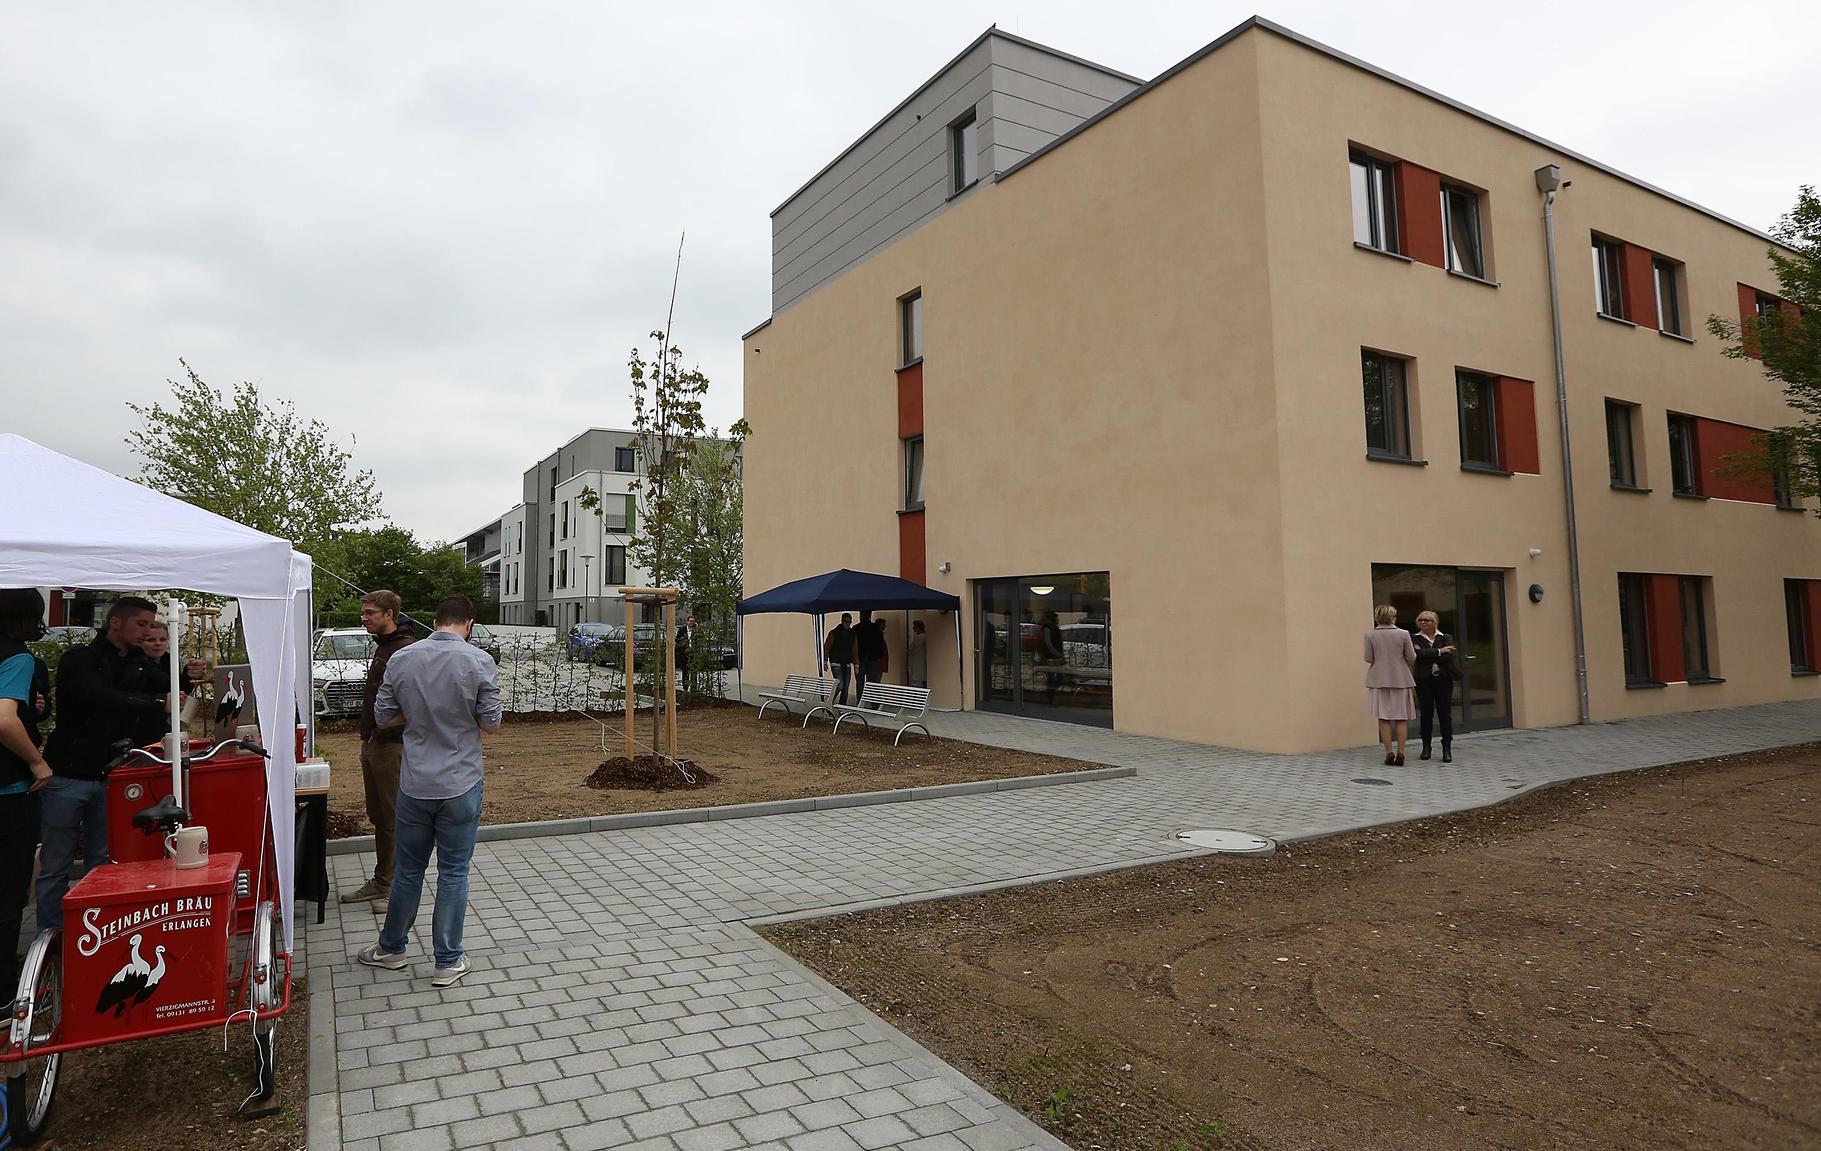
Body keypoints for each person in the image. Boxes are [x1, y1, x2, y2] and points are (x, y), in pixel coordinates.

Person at [357, 595, 501, 987]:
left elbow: (383, 716)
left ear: (435, 621)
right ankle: (447, 961)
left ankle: (391, 949)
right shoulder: (479, 661)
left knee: (408, 870)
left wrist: (418, 713)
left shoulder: (402, 659)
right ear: (468, 624)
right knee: (453, 872)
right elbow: (491, 723)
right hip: (460, 781)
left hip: (416, 782)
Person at [38, 596, 173, 931]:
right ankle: (52, 937)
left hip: (114, 776)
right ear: (116, 622)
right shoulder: (79, 660)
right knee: (56, 863)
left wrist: (182, 673)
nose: (147, 632)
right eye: (141, 624)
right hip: (68, 774)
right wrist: (158, 703)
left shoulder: (141, 663)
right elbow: (99, 697)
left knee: (104, 862)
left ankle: (98, 931)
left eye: (151, 625)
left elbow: (172, 687)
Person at [341, 590, 416, 915]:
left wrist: (384, 730)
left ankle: (397, 887)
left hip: (393, 746)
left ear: (389, 614)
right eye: (364, 612)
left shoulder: (405, 649)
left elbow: (414, 704)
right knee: (380, 818)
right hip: (375, 744)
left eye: (370, 612)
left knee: (394, 819)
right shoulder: (385, 647)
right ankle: (382, 880)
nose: (364, 617)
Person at [0, 589, 53, 1011]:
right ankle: (4, 993)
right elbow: (4, 721)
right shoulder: (16, 656)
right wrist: (36, 762)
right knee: (8, 891)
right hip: (8, 791)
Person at [132, 620, 206, 746]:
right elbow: (163, 684)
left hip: (168, 727)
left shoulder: (170, 660)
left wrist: (191, 674)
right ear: (140, 642)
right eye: (151, 640)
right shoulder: (135, 663)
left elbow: (179, 688)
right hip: (140, 728)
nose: (158, 644)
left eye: (162, 639)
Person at [1363, 603, 1417, 767]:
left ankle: (1389, 752)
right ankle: (1401, 752)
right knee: (1401, 717)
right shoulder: (1403, 634)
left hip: (1379, 679)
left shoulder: (1370, 635)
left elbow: (1368, 658)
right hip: (1400, 678)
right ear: (1393, 617)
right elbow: (1412, 656)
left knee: (1384, 717)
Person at [1411, 610, 1460, 763]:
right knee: (1426, 713)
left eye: (1427, 620)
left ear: (1435, 622)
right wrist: (1439, 651)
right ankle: (1426, 747)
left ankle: (1447, 748)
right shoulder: (1414, 638)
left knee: (1445, 714)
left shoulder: (1445, 637)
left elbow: (1449, 655)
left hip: (1443, 680)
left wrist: (1430, 653)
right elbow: (1417, 656)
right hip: (1423, 680)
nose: (1424, 622)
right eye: (1421, 620)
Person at [824, 613, 856, 704]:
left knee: (846, 688)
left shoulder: (852, 633)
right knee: (840, 685)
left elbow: (855, 649)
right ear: (842, 621)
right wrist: (825, 661)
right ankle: (829, 702)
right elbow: (827, 647)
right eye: (846, 622)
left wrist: (856, 664)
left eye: (849, 622)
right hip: (836, 663)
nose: (848, 624)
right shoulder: (834, 633)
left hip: (847, 663)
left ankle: (842, 707)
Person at [855, 609, 886, 694]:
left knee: (860, 681)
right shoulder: (875, 628)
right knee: (872, 682)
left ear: (861, 616)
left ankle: (859, 701)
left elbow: (853, 645)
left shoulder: (856, 628)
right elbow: (880, 643)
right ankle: (874, 703)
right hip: (872, 658)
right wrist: (878, 655)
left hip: (861, 658)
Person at [1038, 610, 1064, 704]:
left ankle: (1052, 696)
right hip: (1049, 657)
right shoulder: (1047, 629)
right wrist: (1057, 654)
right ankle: (1051, 699)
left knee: (1059, 677)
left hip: (1055, 657)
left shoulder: (1055, 629)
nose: (1058, 620)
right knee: (1052, 679)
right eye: (1057, 618)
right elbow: (1048, 644)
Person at [907, 620, 928, 689]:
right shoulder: (918, 637)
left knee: (918, 681)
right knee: (915, 680)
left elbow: (914, 648)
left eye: (914, 626)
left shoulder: (921, 637)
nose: (913, 628)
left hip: (919, 663)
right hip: (916, 663)